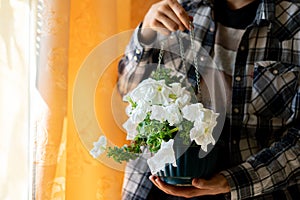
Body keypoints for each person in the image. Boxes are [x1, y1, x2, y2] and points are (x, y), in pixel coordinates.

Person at [117, 0, 300, 199]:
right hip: (150, 188)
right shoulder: (182, 7)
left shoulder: (294, 23)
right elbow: (126, 90)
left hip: (251, 192)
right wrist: (145, 35)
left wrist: (234, 180)